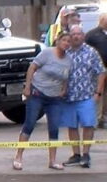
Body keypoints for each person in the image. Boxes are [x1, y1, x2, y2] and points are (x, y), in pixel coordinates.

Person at [13, 32, 72, 171]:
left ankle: (52, 161)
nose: (66, 43)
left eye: (68, 41)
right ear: (58, 41)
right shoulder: (47, 53)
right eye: (64, 40)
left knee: (54, 128)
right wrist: (27, 86)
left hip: (55, 98)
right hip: (37, 93)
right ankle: (18, 157)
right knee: (30, 124)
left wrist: (64, 88)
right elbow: (32, 67)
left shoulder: (69, 59)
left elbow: (66, 76)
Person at [61, 24, 106, 168]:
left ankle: (86, 154)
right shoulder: (65, 52)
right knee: (72, 126)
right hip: (69, 97)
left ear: (83, 35)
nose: (76, 36)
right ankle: (76, 154)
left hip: (87, 96)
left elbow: (101, 72)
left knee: (88, 125)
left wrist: (98, 92)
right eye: (73, 34)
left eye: (78, 34)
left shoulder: (91, 52)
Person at [85, 13, 107, 127]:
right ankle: (95, 119)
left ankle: (104, 118)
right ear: (102, 20)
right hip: (98, 70)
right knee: (98, 92)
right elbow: (85, 49)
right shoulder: (92, 34)